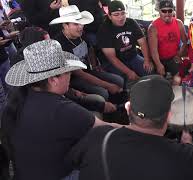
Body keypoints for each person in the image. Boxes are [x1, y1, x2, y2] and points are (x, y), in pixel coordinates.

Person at [0, 40, 117, 180]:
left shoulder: (22, 96)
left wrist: (100, 106)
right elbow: (110, 130)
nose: (70, 76)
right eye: (67, 72)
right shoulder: (61, 109)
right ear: (53, 79)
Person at [70, 75, 193, 180]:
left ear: (128, 109)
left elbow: (74, 161)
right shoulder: (187, 157)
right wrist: (186, 145)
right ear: (169, 116)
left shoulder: (98, 136)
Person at [50, 5, 123, 102]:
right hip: (73, 78)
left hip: (87, 70)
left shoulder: (81, 34)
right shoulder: (60, 44)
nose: (80, 27)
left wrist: (94, 65)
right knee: (102, 92)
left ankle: (116, 106)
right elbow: (79, 73)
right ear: (65, 25)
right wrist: (108, 85)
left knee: (118, 80)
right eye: (76, 24)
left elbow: (90, 49)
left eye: (81, 23)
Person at [98, 0, 153, 81]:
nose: (121, 17)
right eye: (116, 15)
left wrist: (147, 60)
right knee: (122, 79)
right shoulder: (104, 29)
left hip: (132, 56)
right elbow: (112, 58)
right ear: (109, 16)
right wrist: (129, 72)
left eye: (123, 13)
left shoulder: (131, 22)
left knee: (150, 71)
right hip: (113, 62)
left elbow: (142, 42)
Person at [148, 0, 187, 84]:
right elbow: (153, 50)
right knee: (160, 83)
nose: (167, 13)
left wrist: (179, 54)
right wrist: (158, 64)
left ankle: (174, 95)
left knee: (178, 80)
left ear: (173, 11)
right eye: (164, 11)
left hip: (173, 58)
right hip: (159, 59)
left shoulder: (179, 23)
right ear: (159, 11)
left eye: (169, 10)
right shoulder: (153, 27)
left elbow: (185, 41)